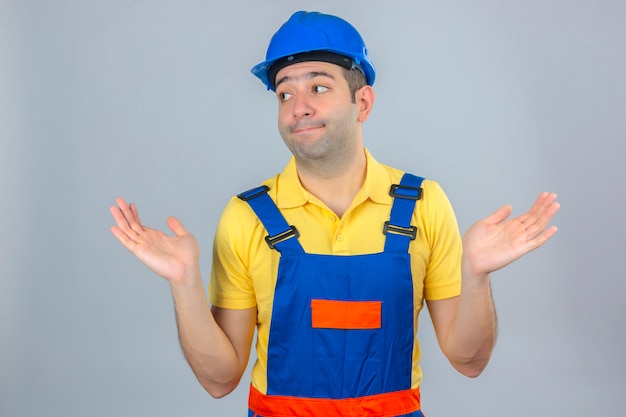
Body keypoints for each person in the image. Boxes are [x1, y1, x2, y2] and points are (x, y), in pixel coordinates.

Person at [110, 10, 560, 417]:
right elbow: (219, 380)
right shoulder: (247, 216)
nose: (298, 107)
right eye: (284, 94)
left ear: (362, 102)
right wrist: (184, 282)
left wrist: (476, 275)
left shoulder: (422, 203)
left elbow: (469, 361)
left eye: (319, 87)